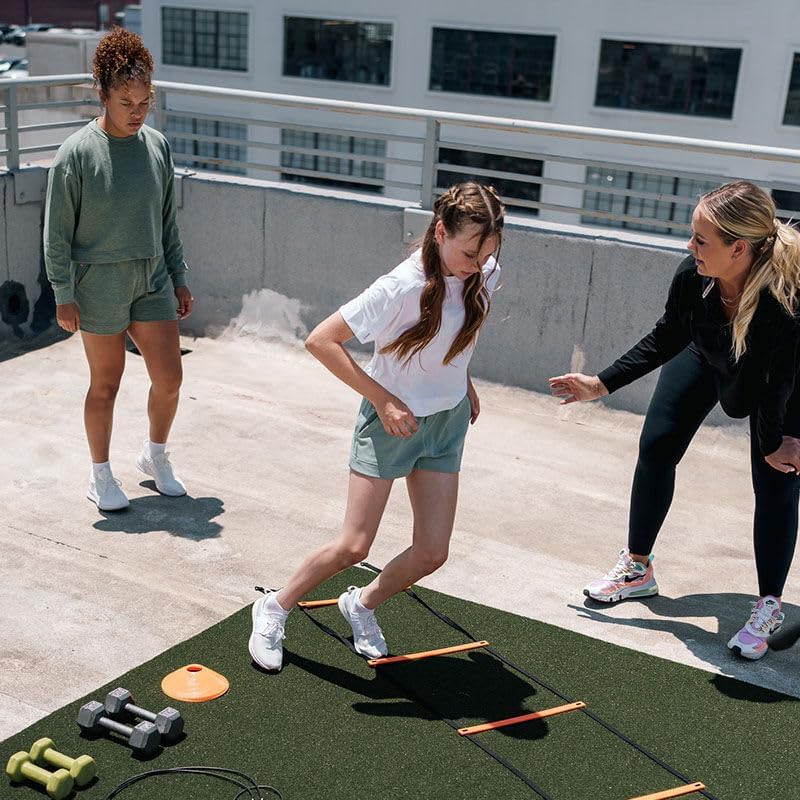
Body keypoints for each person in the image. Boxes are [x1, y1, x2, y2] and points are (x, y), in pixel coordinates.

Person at [249, 182, 505, 671]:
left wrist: (463, 380)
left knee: (432, 552)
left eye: (487, 253)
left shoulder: (483, 273)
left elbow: (454, 334)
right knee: (353, 546)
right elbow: (321, 340)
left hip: (446, 423)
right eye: (470, 253)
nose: (478, 264)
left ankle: (361, 604)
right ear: (440, 232)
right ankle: (275, 606)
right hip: (390, 422)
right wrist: (383, 400)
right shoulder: (401, 286)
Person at [549, 181, 800, 660]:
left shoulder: (785, 298)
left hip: (788, 379)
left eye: (701, 239)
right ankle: (638, 568)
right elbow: (668, 333)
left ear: (739, 248)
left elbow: (777, 384)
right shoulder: (694, 276)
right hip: (710, 352)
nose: (690, 246)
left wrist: (775, 442)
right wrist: (601, 384)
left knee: (775, 475)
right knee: (657, 446)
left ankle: (769, 605)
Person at [44, 28, 193, 511]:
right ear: (103, 94)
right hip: (99, 283)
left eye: (145, 102)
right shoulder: (75, 155)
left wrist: (179, 276)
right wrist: (64, 293)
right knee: (106, 385)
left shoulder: (157, 146)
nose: (137, 111)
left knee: (170, 379)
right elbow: (56, 235)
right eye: (126, 102)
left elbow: (167, 220)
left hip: (151, 277)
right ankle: (101, 475)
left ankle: (154, 455)